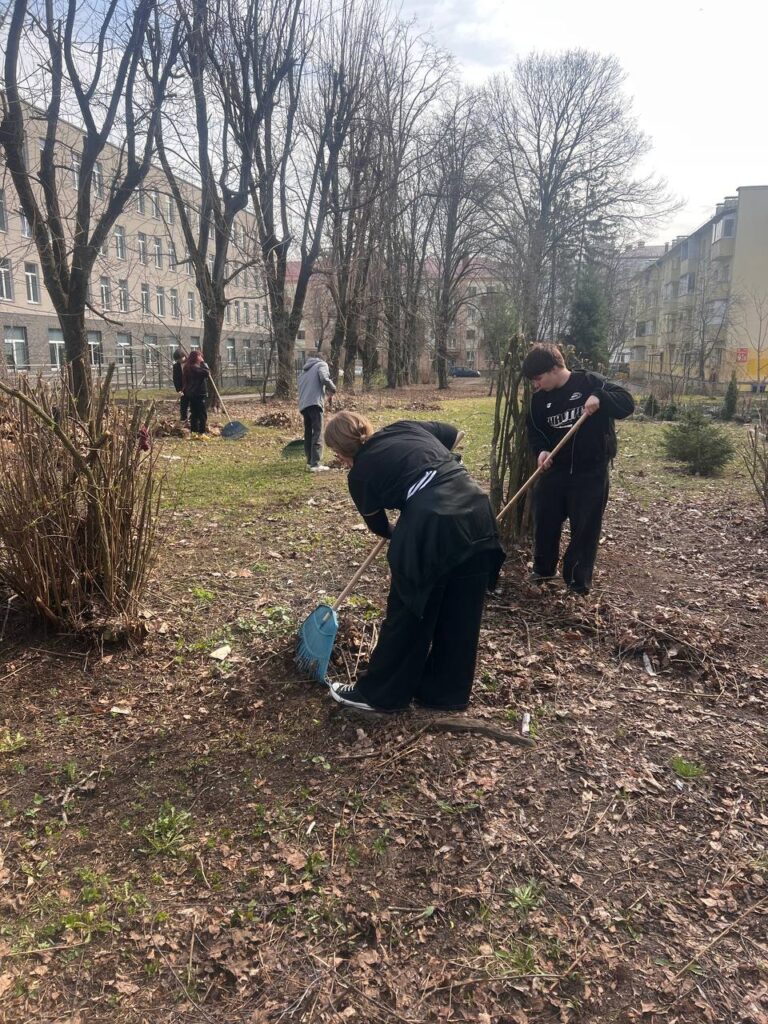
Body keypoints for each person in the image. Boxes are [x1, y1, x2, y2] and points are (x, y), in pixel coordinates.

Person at [323, 411, 506, 713]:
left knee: (410, 611)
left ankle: (381, 695)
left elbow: (380, 526)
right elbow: (454, 433)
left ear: (340, 451)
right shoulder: (404, 427)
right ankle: (444, 694)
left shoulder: (359, 475)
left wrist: (409, 520)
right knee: (461, 611)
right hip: (477, 512)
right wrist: (432, 470)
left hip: (432, 523)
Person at [523, 343, 635, 595]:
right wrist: (541, 451)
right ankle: (543, 570)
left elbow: (627, 404)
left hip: (590, 472)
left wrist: (601, 397)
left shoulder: (590, 382)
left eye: (538, 378)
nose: (536, 384)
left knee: (585, 528)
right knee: (545, 520)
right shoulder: (539, 400)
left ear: (554, 368)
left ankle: (577, 582)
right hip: (556, 471)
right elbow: (536, 432)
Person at [298, 354, 336, 472]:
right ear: (325, 360)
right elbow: (324, 378)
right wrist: (333, 388)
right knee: (318, 432)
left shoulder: (304, 371)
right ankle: (316, 464)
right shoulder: (321, 364)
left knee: (308, 433)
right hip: (315, 403)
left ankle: (310, 462)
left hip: (304, 405)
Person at [182, 350, 211, 436]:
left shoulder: (188, 367)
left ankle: (194, 432)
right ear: (196, 357)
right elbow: (207, 373)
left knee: (194, 413)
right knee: (202, 414)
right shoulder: (194, 368)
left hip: (192, 393)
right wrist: (203, 363)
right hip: (198, 393)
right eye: (199, 356)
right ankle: (201, 432)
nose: (201, 357)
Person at [172, 349, 189, 423]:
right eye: (177, 360)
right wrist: (179, 390)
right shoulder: (176, 366)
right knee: (183, 405)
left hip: (192, 387)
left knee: (193, 405)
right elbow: (176, 378)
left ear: (184, 356)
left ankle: (193, 420)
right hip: (183, 388)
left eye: (180, 359)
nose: (179, 361)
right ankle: (183, 419)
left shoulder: (190, 363)